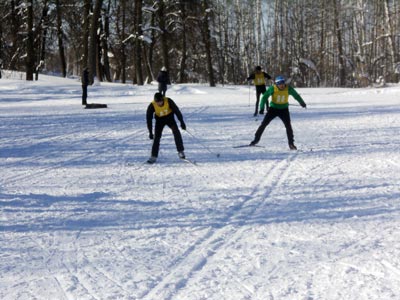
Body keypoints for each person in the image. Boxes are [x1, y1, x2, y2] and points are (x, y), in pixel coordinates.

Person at [249, 75, 306, 150]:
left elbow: (296, 96)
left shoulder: (288, 88)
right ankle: (256, 140)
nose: (282, 85)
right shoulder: (273, 88)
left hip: (284, 110)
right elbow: (264, 97)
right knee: (264, 124)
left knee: (288, 126)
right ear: (276, 84)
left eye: (282, 83)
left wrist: (302, 102)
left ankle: (291, 144)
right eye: (279, 84)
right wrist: (262, 108)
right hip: (273, 109)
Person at [146, 92, 186, 164]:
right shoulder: (152, 105)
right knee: (156, 137)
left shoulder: (169, 101)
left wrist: (182, 122)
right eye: (157, 102)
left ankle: (181, 151)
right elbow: (149, 119)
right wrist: (150, 132)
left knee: (176, 132)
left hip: (169, 118)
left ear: (163, 100)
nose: (159, 103)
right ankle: (153, 156)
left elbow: (177, 111)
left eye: (160, 101)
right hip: (159, 120)